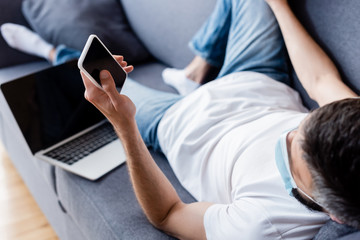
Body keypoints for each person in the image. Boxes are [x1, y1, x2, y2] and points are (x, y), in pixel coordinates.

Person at [2, 0, 359, 239]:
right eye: (299, 126)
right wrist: (278, 3)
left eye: (290, 154)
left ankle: (49, 51)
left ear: (336, 217)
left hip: (177, 121)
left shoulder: (261, 226)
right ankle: (196, 67)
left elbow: (169, 214)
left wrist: (125, 128)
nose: (284, 136)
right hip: (257, 80)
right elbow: (320, 82)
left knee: (95, 78)